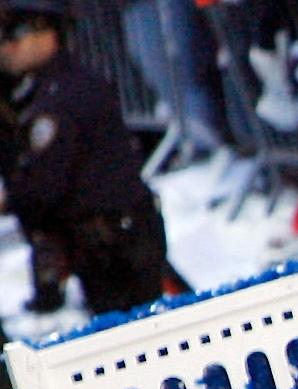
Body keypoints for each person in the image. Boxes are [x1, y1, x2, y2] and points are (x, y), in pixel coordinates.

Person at [0, 0, 173, 318]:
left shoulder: (62, 96)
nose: (6, 48)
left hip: (115, 244)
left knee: (139, 330)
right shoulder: (47, 91)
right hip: (110, 240)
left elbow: (45, 184)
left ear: (46, 32)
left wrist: (10, 199)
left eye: (14, 35)